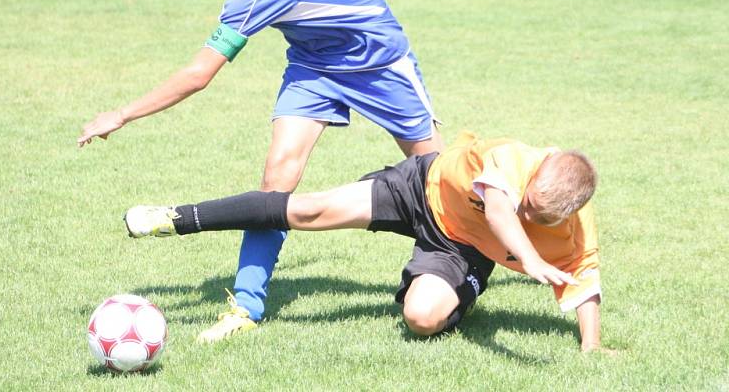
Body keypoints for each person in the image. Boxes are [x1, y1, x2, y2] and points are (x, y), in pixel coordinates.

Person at [78, 0, 443, 343]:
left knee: (436, 176)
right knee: (277, 180)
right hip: (314, 65)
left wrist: (122, 113)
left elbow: (198, 75)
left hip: (376, 58)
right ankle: (247, 305)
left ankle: (488, 251)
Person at [124, 131, 603, 352]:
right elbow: (500, 206)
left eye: (537, 215)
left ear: (567, 213)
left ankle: (462, 291)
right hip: (420, 186)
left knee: (421, 319)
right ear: (543, 165)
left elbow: (586, 283)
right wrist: (531, 257)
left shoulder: (574, 230)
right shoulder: (516, 159)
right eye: (529, 201)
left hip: (459, 248)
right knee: (310, 209)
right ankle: (177, 218)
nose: (525, 211)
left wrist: (591, 348)